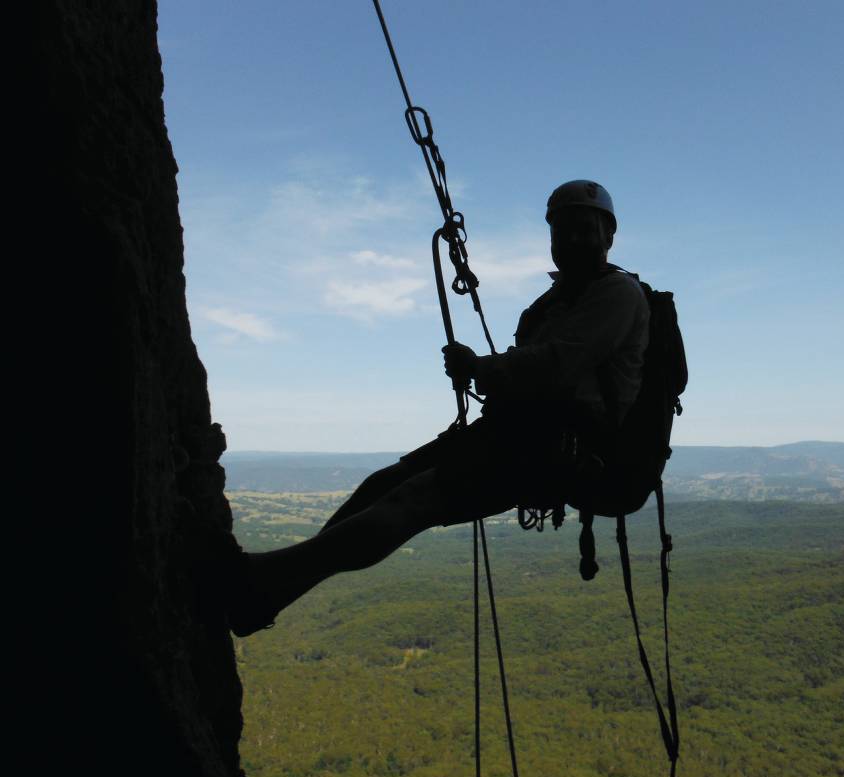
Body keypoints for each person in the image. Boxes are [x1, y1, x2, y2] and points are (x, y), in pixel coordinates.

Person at [226, 180, 650, 636]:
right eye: (561, 231)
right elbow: (539, 371)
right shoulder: (553, 303)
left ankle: (257, 576)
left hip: (558, 446)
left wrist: (481, 367)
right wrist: (483, 372)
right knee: (382, 485)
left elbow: (557, 364)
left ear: (609, 235)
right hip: (522, 431)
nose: (571, 240)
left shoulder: (617, 294)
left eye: (584, 229)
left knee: (414, 500)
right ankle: (269, 594)